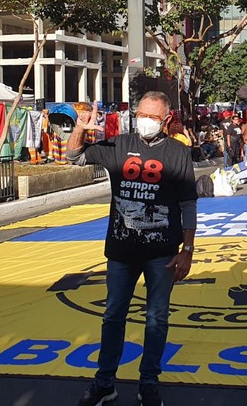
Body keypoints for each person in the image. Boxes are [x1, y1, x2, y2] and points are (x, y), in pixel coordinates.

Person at [69, 91, 197, 406]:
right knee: (113, 315)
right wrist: (79, 129)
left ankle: (148, 383)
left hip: (162, 253)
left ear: (166, 119)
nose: (146, 121)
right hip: (122, 252)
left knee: (157, 318)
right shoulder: (119, 145)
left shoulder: (178, 153)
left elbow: (188, 203)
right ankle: (104, 382)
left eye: (153, 116)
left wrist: (188, 249)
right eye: (142, 114)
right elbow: (73, 156)